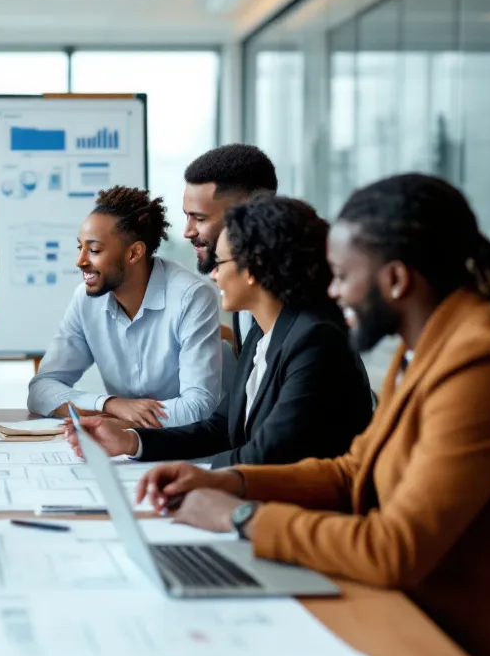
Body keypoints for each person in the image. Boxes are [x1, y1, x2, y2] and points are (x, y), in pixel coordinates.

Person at [133, 174, 490, 656]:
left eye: (344, 275)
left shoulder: (481, 363)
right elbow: (354, 469)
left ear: (395, 280)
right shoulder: (423, 346)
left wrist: (243, 518)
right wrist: (232, 482)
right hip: (423, 609)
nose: (331, 290)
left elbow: (394, 548)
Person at [68, 196, 372, 466]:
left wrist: (193, 475)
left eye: (220, 262)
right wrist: (131, 440)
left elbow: (268, 454)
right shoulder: (261, 335)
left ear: (253, 268)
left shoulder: (315, 339)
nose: (213, 275)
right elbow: (220, 429)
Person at [27, 186, 221, 429]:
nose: (81, 261)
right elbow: (40, 390)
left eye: (94, 250)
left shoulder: (191, 296)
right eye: (81, 248)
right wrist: (109, 404)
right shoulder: (86, 300)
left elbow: (200, 407)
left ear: (134, 253)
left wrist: (118, 422)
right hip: (127, 447)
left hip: (193, 447)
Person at [182, 144, 278, 354]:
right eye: (186, 216)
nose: (187, 232)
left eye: (199, 218)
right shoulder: (239, 284)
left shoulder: (292, 300)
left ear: (248, 210)